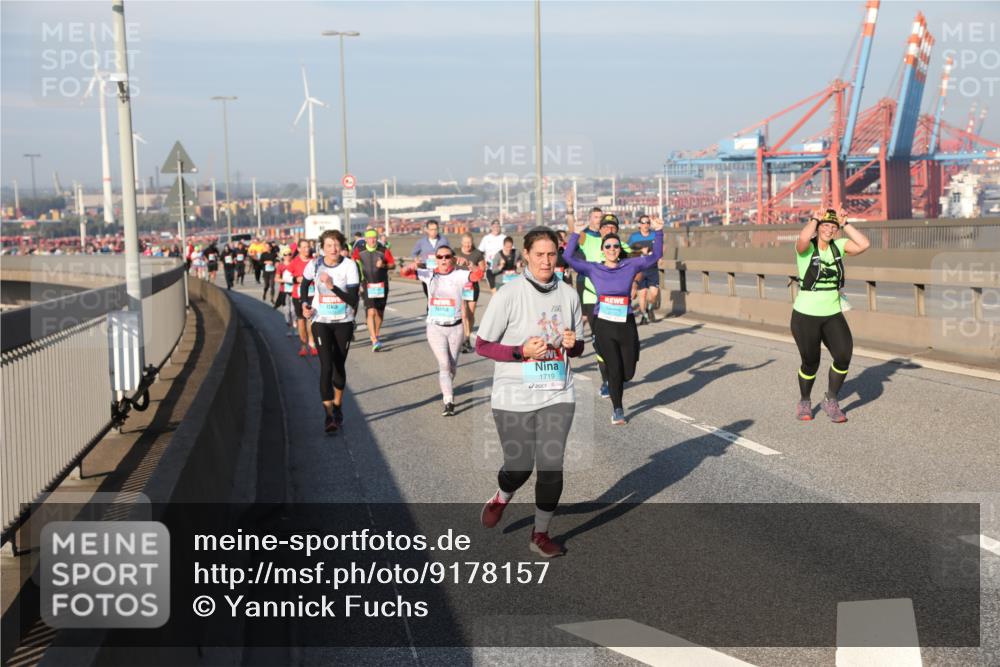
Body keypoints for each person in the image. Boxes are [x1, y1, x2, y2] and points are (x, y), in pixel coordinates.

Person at [476, 227, 585, 558]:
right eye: (539, 254)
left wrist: (573, 344)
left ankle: (540, 533)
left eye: (551, 254)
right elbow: (481, 344)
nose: (546, 260)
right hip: (513, 394)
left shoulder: (568, 295)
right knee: (520, 466)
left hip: (557, 391)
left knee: (551, 465)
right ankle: (501, 496)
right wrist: (520, 351)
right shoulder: (509, 294)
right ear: (525, 255)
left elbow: (578, 345)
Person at [563, 194, 663, 425]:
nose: (612, 248)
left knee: (628, 372)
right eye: (608, 246)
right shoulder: (594, 269)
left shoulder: (630, 264)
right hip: (605, 323)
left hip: (626, 323)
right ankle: (618, 409)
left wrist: (659, 232)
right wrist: (576, 233)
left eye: (615, 246)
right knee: (616, 370)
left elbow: (656, 255)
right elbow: (568, 256)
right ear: (603, 248)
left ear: (619, 249)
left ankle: (618, 381)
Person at [792, 208, 870, 422]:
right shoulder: (806, 249)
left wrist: (846, 224)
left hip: (832, 313)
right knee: (811, 362)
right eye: (825, 226)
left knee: (844, 355)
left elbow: (864, 244)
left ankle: (831, 400)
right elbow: (803, 238)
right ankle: (805, 401)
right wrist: (815, 218)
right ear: (818, 228)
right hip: (806, 315)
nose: (829, 230)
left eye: (832, 227)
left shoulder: (839, 246)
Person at [408, 245, 481, 416]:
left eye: (447, 257)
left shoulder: (460, 275)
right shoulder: (429, 274)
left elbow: (478, 275)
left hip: (456, 328)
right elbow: (406, 273)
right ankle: (448, 400)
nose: (443, 260)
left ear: (452, 259)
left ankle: (446, 383)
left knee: (452, 366)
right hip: (435, 328)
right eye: (440, 257)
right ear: (436, 259)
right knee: (444, 364)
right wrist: (411, 266)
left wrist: (470, 264)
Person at [301, 229, 360, 434]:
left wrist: (332, 287)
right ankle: (328, 417)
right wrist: (304, 303)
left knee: (338, 365)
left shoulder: (350, 266)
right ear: (322, 248)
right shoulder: (315, 264)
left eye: (336, 245)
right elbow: (304, 283)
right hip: (320, 321)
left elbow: (353, 300)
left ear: (341, 246)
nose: (333, 249)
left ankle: (338, 405)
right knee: (325, 366)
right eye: (328, 245)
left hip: (343, 321)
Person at [352, 229, 396, 351]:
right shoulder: (359, 251)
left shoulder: (383, 251)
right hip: (367, 284)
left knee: (379, 313)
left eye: (374, 238)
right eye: (370, 238)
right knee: (371, 311)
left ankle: (376, 334)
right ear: (365, 239)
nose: (372, 240)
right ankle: (374, 339)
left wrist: (383, 265)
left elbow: (393, 265)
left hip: (382, 285)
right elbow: (352, 262)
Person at [455, 233, 487, 353]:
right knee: (463, 314)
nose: (467, 245)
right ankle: (466, 338)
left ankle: (467, 335)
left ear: (472, 242)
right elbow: (450, 264)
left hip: (472, 287)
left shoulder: (477, 254)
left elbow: (482, 271)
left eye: (469, 242)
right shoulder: (456, 251)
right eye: (465, 242)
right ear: (462, 242)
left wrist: (472, 266)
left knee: (470, 314)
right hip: (460, 287)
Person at [627, 214, 661, 324]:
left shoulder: (654, 234)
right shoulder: (634, 237)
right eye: (643, 222)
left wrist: (660, 258)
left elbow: (659, 247)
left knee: (654, 293)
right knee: (643, 294)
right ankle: (644, 316)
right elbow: (627, 251)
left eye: (647, 222)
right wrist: (641, 251)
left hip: (652, 268)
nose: (646, 224)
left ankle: (650, 308)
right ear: (639, 225)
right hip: (640, 269)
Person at [411, 220, 451, 309]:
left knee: (440, 292)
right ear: (427, 230)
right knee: (429, 293)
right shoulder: (421, 242)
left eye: (436, 229)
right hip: (426, 271)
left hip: (440, 271)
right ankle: (430, 307)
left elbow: (450, 253)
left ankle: (435, 308)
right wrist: (416, 260)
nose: (434, 232)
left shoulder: (444, 240)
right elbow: (414, 253)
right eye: (431, 229)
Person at [289, 242, 318, 356]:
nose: (307, 249)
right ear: (299, 249)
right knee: (301, 320)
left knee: (311, 319)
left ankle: (312, 344)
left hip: (312, 294)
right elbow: (286, 277)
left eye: (308, 247)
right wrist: (296, 279)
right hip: (298, 295)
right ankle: (303, 346)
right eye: (304, 247)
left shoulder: (314, 261)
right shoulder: (294, 262)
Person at [478, 219, 506, 293]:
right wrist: (482, 264)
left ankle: (499, 303)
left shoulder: (504, 238)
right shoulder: (486, 238)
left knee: (500, 290)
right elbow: (479, 253)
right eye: (494, 226)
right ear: (491, 227)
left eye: (498, 226)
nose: (496, 228)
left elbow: (512, 252)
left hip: (502, 268)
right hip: (489, 268)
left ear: (500, 227)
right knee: (494, 289)